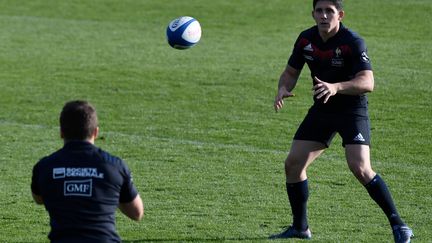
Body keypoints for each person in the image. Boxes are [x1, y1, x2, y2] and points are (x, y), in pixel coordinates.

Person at [269, 0, 413, 242]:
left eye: (329, 11)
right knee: (293, 165)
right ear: (313, 14)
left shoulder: (352, 42)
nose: (324, 16)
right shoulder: (306, 40)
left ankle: (399, 225)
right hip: (322, 109)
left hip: (351, 110)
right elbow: (291, 72)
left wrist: (336, 87)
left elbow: (368, 83)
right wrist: (283, 88)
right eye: (319, 11)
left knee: (360, 168)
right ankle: (300, 228)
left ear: (340, 15)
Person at [31, 100, 144, 243]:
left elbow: (39, 199)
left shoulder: (45, 167)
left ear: (61, 132)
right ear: (95, 132)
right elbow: (137, 213)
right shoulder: (114, 166)